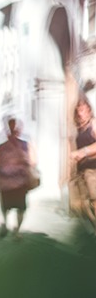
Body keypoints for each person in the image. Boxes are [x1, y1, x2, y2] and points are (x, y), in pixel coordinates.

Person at [0, 116, 37, 241]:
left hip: (19, 182)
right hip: (7, 182)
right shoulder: (3, 147)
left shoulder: (24, 145)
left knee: (19, 207)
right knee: (8, 206)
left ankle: (15, 230)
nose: (12, 131)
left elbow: (32, 161)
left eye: (14, 128)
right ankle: (8, 227)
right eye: (11, 128)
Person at [70, 95, 96, 235]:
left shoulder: (93, 124)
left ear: (89, 110)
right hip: (82, 172)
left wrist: (83, 152)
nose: (81, 112)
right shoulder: (79, 128)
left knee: (94, 201)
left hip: (93, 170)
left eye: (84, 109)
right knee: (84, 205)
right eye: (78, 109)